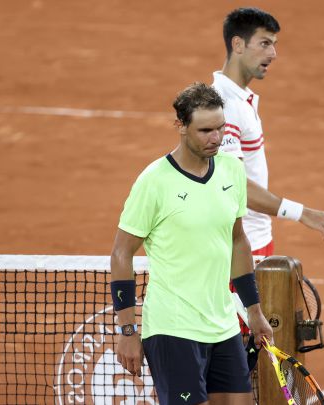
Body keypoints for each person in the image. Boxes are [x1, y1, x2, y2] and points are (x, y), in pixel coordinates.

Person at [110, 82, 273, 405]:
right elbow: (121, 253)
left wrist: (253, 311)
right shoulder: (154, 181)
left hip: (223, 325)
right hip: (174, 329)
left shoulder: (231, 170)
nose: (216, 138)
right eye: (205, 130)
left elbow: (238, 240)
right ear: (181, 127)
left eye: (221, 128)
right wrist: (127, 331)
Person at [213, 7, 324, 256]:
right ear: (238, 44)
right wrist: (302, 213)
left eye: (274, 44)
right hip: (239, 249)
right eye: (264, 43)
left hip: (253, 240)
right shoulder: (224, 105)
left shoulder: (238, 99)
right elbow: (233, 185)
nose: (273, 53)